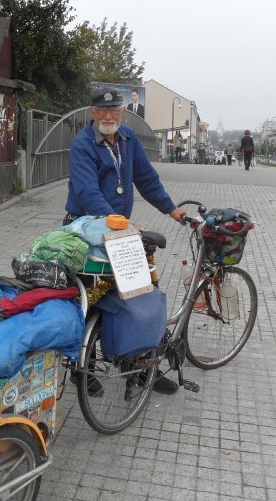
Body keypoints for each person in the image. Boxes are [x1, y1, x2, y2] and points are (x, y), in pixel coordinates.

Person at [65, 88, 187, 395]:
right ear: (92, 112)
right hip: (87, 229)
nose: (108, 116)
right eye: (102, 110)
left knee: (142, 293)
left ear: (122, 110)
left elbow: (146, 179)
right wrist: (122, 224)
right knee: (87, 299)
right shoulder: (82, 146)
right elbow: (87, 193)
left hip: (121, 233)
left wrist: (171, 210)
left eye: (114, 110)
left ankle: (146, 366)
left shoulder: (129, 139)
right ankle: (84, 369)